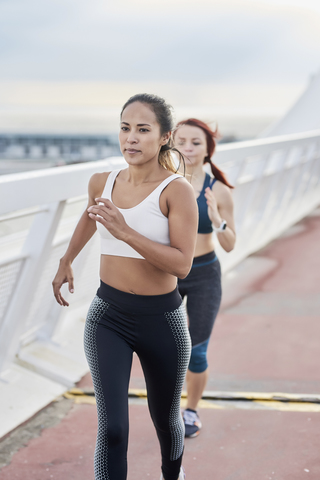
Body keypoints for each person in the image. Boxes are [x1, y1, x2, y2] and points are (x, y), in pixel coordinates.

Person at [52, 94, 198, 480]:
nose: (131, 138)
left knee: (166, 421)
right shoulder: (102, 181)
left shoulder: (176, 190)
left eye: (143, 130)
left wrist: (125, 232)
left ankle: (173, 474)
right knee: (112, 428)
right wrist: (66, 260)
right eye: (125, 128)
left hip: (162, 320)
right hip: (108, 316)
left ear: (165, 137)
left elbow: (182, 264)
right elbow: (90, 216)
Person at [173, 118, 236, 438]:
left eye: (196, 142)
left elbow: (230, 243)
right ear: (171, 143)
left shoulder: (219, 190)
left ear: (208, 149)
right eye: (182, 141)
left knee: (196, 352)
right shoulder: (163, 183)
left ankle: (191, 410)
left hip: (204, 274)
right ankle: (169, 407)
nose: (188, 148)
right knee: (167, 349)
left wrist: (216, 221)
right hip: (168, 274)